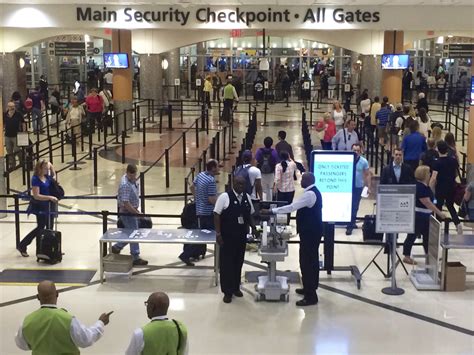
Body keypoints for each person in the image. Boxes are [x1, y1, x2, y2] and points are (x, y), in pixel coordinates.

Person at [262, 173, 322, 306]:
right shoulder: (313, 192)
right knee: (308, 260)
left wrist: (272, 211)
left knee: (308, 262)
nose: (300, 181)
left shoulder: (310, 194)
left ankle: (311, 296)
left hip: (310, 233)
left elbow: (292, 207)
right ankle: (308, 288)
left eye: (302, 179)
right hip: (311, 232)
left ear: (308, 180)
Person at [15, 281, 112, 354]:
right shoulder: (68, 319)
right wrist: (101, 323)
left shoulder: (27, 321)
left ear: (38, 297)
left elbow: (22, 344)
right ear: (57, 294)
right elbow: (85, 340)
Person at [214, 176, 255, 303]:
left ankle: (236, 287)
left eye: (243, 184)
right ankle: (227, 291)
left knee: (238, 262)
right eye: (238, 184)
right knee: (227, 264)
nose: (241, 186)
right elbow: (216, 214)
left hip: (241, 237)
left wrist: (254, 228)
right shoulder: (224, 197)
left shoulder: (247, 197)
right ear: (233, 183)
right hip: (227, 237)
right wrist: (218, 233)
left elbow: (250, 215)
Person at [402, 166, 446, 264]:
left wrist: (433, 179)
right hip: (419, 215)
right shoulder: (420, 187)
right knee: (412, 235)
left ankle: (429, 255)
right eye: (428, 173)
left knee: (427, 237)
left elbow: (429, 192)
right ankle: (407, 255)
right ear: (424, 175)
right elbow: (427, 202)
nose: (429, 175)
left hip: (425, 216)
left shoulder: (423, 185)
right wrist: (439, 213)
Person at [179, 159, 218, 266]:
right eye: (217, 166)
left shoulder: (200, 175)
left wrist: (197, 198)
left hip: (199, 210)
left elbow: (191, 186)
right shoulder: (211, 180)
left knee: (198, 233)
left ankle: (197, 253)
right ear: (213, 168)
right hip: (207, 213)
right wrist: (219, 207)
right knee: (204, 235)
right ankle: (186, 254)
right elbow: (211, 199)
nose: (218, 168)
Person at [17, 160, 57, 257]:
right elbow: (36, 195)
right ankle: (23, 245)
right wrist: (49, 197)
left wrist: (50, 166)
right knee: (41, 227)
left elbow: (54, 176)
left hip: (49, 206)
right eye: (45, 168)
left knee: (50, 227)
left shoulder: (47, 177)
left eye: (47, 169)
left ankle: (50, 249)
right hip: (41, 206)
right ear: (39, 168)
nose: (47, 170)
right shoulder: (35, 179)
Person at [111, 164, 148, 266]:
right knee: (134, 233)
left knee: (131, 232)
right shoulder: (125, 185)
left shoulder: (131, 180)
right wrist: (137, 213)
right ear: (127, 173)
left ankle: (117, 247)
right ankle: (135, 257)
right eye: (131, 175)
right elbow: (126, 203)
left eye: (134, 174)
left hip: (132, 211)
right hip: (128, 213)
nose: (133, 177)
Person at [429, 140, 463, 234]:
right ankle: (458, 224)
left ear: (437, 149)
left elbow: (434, 178)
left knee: (438, 206)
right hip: (451, 187)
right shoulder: (453, 160)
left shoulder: (436, 163)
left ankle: (438, 227)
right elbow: (456, 173)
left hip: (440, 188)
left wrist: (430, 188)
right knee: (450, 206)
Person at [346, 144, 371, 235]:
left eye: (357, 150)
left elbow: (367, 174)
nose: (356, 152)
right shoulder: (347, 160)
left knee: (355, 206)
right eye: (354, 150)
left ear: (360, 151)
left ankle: (351, 223)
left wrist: (368, 186)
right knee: (349, 205)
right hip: (347, 186)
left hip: (358, 187)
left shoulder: (364, 161)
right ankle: (350, 222)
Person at [255, 136, 280, 201]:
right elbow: (277, 161)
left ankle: (263, 203)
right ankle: (270, 204)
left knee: (263, 189)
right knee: (270, 188)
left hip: (261, 173)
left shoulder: (259, 151)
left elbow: (256, 160)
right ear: (271, 143)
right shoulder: (274, 152)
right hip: (271, 173)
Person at [3, 101, 26, 170]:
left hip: (16, 135)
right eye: (10, 106)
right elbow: (3, 123)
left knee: (17, 149)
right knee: (9, 150)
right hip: (7, 135)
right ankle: (12, 165)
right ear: (8, 107)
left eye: (13, 106)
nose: (12, 108)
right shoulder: (5, 114)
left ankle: (22, 161)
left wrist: (24, 132)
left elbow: (23, 122)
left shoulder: (18, 114)